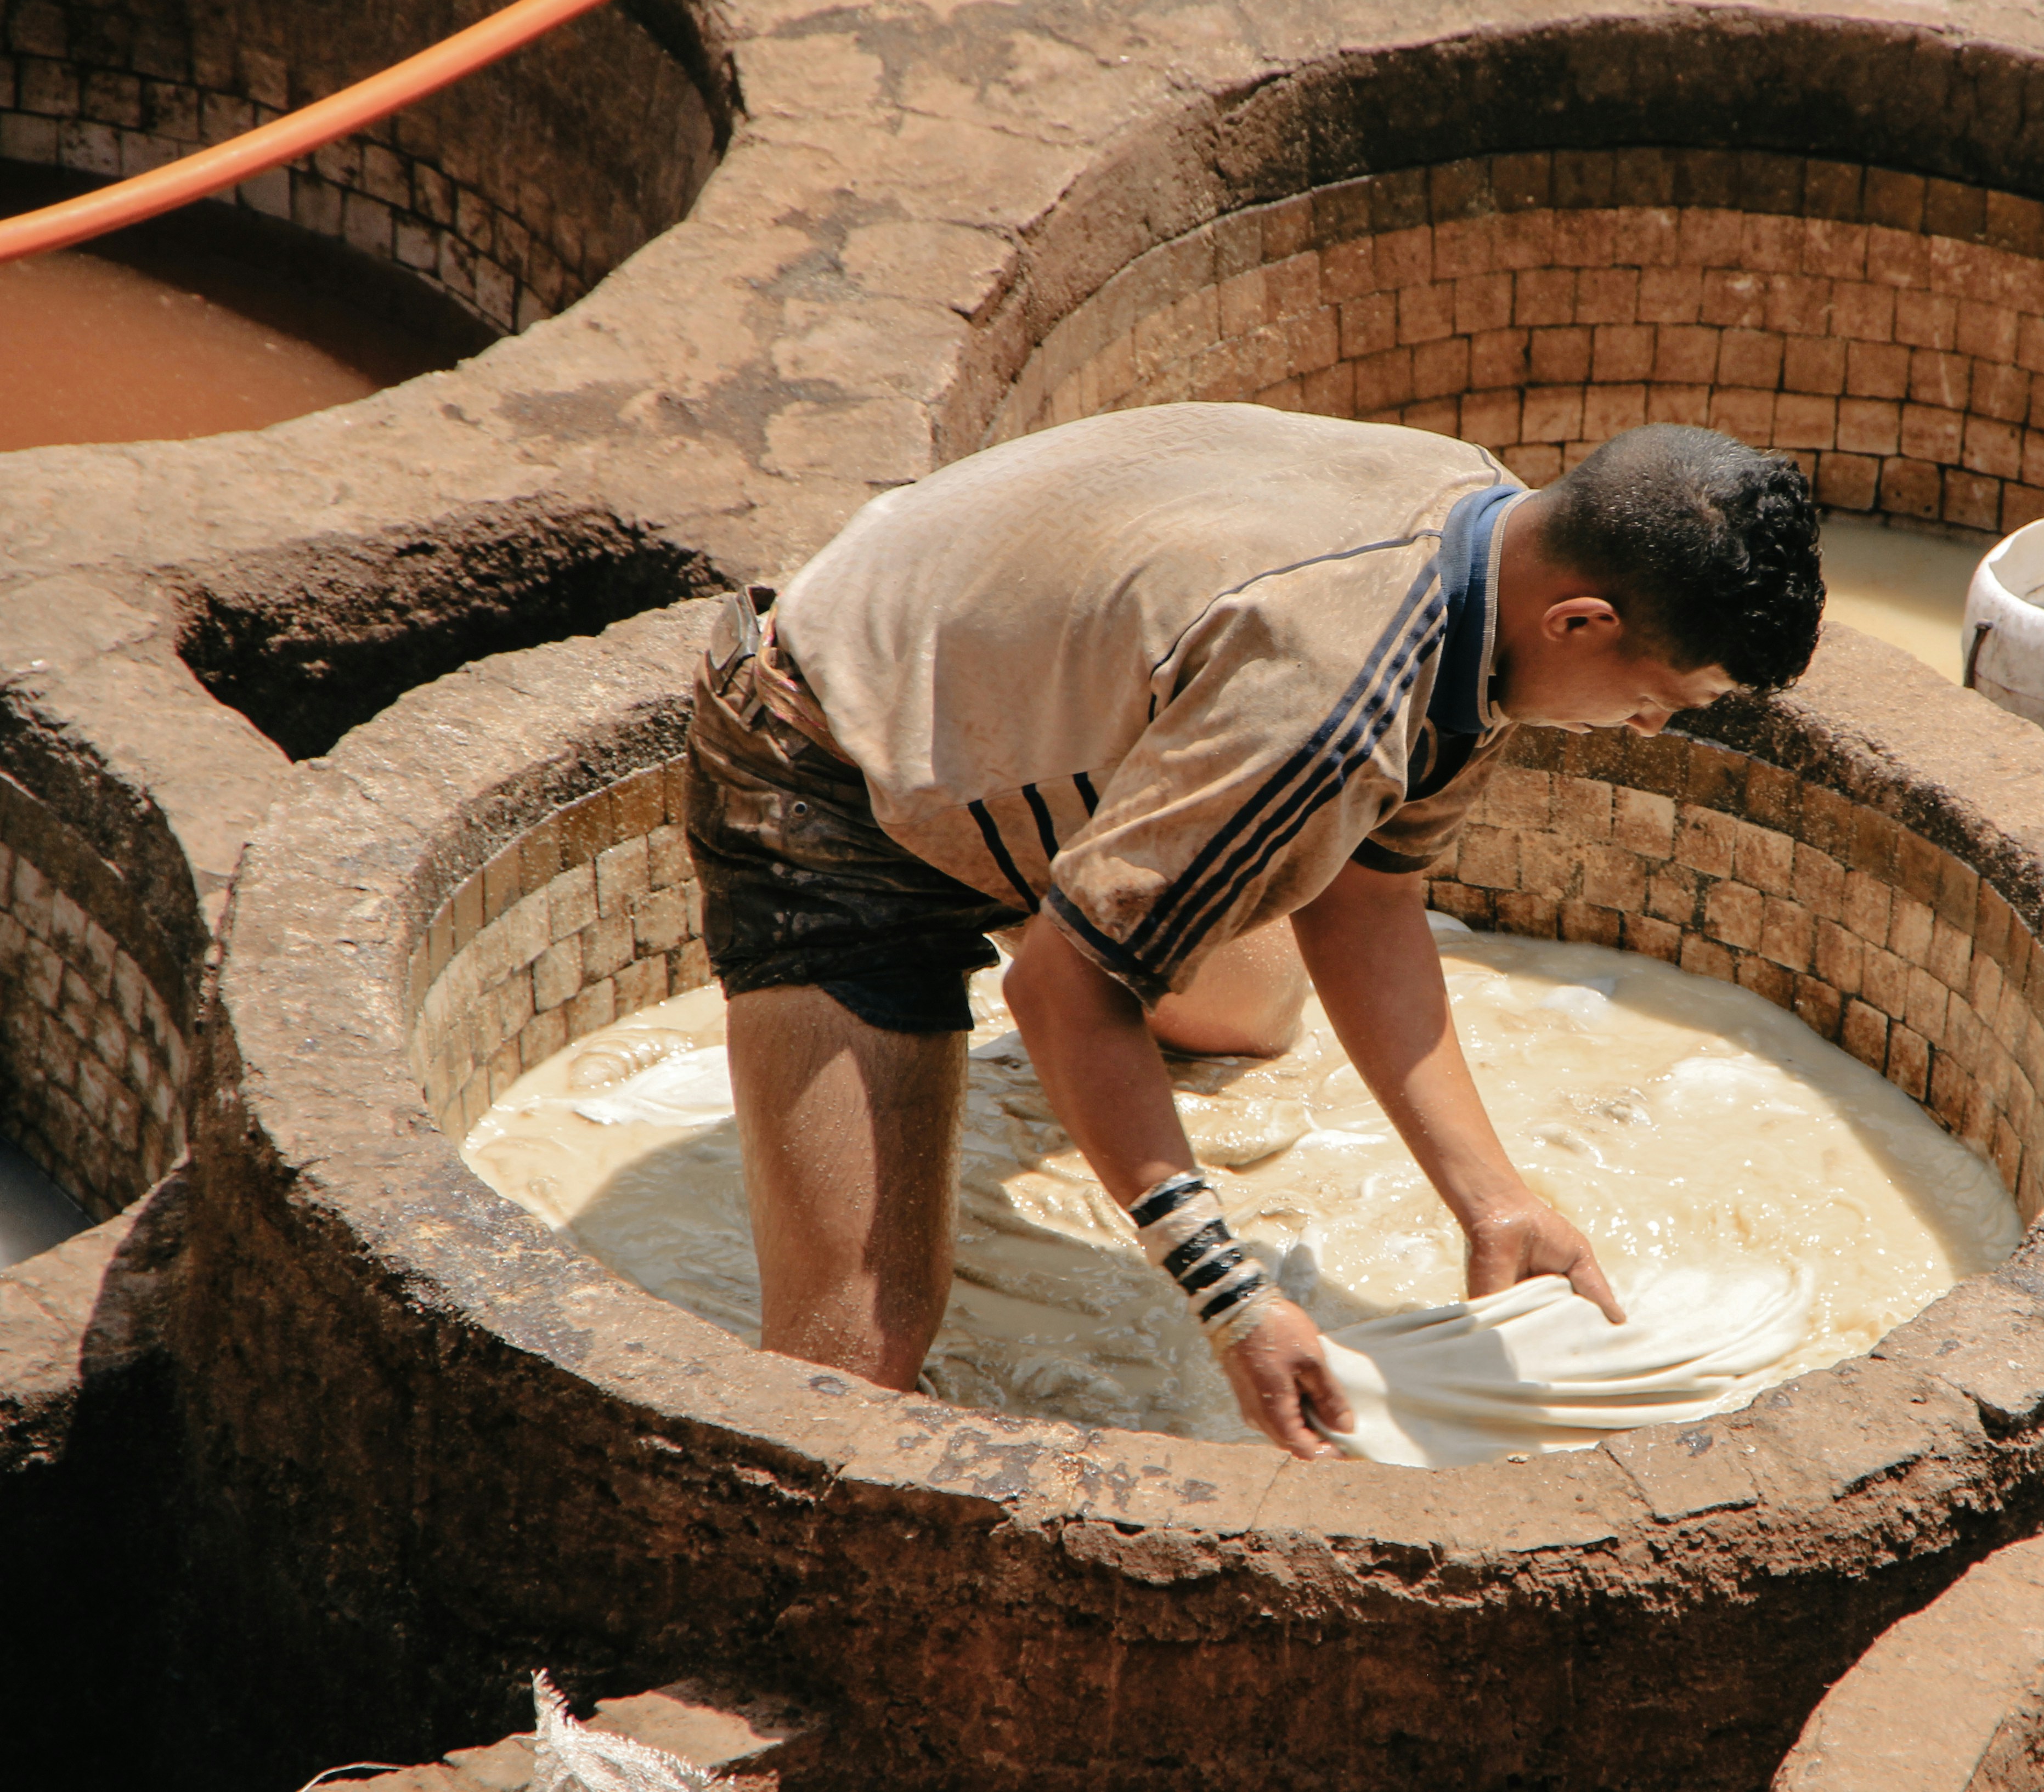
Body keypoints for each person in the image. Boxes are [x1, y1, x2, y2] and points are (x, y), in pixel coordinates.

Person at [682, 403, 1825, 1458]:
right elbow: (1058, 996)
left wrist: (1496, 1199)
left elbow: (1368, 898)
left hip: (1040, 717)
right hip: (828, 758)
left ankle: (1085, 897)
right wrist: (1227, 1293)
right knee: (853, 1356)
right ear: (1580, 620)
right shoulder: (1330, 696)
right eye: (1661, 702)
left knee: (1248, 1006)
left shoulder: (1491, 541)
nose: (1647, 731)